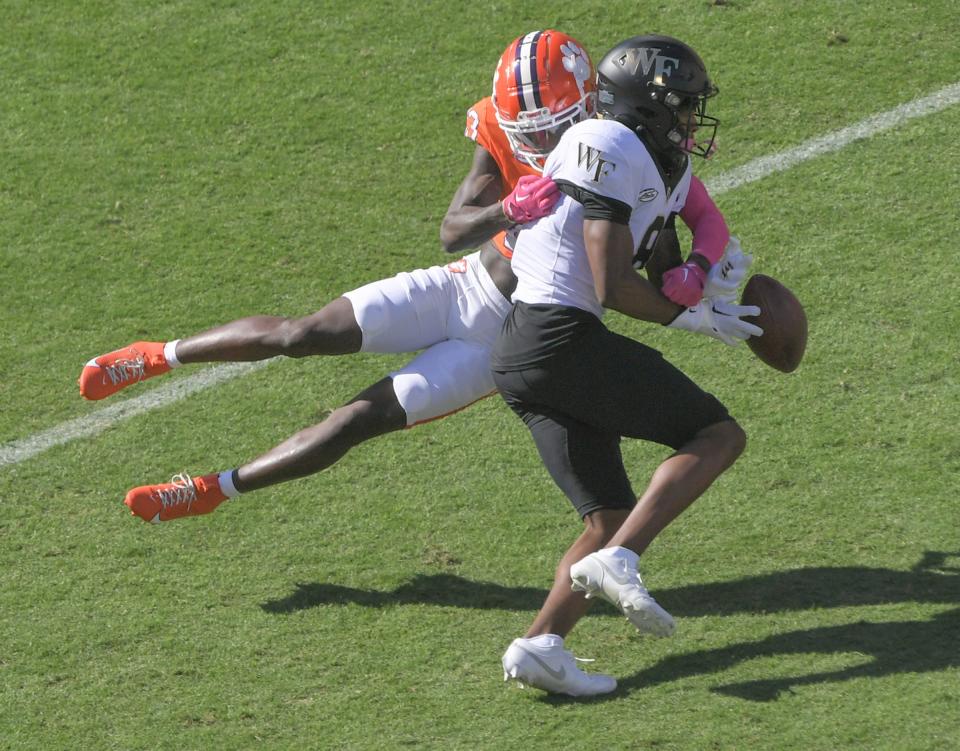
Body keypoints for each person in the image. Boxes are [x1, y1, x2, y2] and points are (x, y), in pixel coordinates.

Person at [76, 30, 598, 522]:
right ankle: (157, 355)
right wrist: (507, 209)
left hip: (505, 342)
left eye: (550, 125)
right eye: (525, 127)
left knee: (354, 420)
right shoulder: (501, 131)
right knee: (301, 334)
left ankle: (213, 489)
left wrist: (681, 269)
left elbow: (642, 249)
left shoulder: (618, 160)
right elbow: (452, 231)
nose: (540, 138)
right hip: (461, 285)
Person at [492, 34, 763, 697]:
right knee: (718, 435)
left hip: (526, 352)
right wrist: (694, 320)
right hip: (557, 337)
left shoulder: (645, 156)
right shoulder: (605, 144)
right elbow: (610, 281)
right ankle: (624, 559)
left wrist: (703, 279)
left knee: (609, 513)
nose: (691, 122)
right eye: (681, 108)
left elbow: (661, 263)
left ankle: (542, 644)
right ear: (645, 105)